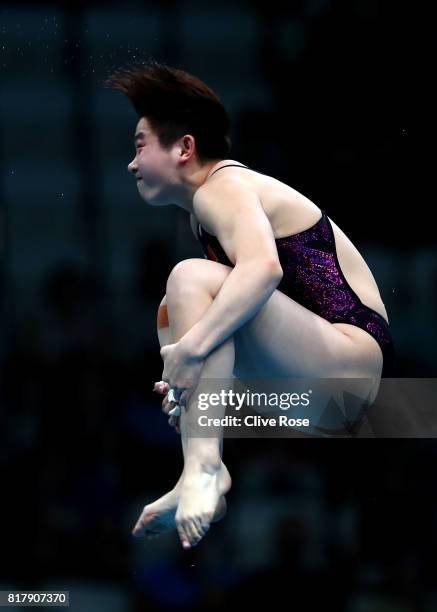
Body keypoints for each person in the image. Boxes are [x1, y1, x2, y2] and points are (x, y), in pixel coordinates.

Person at [106, 61, 395, 550]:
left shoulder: (224, 188)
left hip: (349, 359)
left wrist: (192, 350)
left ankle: (204, 467)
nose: (132, 164)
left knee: (191, 280)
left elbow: (264, 270)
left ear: (184, 148)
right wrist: (192, 387)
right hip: (317, 393)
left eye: (139, 146)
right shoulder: (204, 216)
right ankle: (198, 467)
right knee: (172, 309)